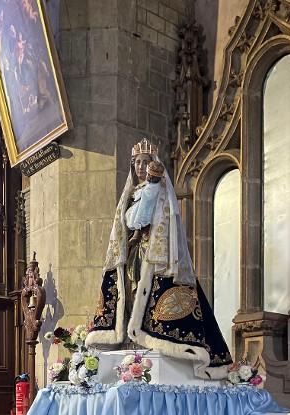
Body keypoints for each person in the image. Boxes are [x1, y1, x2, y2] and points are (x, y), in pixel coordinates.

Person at [86, 138, 232, 380]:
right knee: (132, 298)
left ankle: (151, 343)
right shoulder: (132, 193)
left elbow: (145, 219)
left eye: (146, 162)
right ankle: (132, 345)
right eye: (137, 163)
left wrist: (153, 185)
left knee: (155, 298)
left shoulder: (160, 191)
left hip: (155, 257)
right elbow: (132, 222)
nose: (142, 167)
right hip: (136, 254)